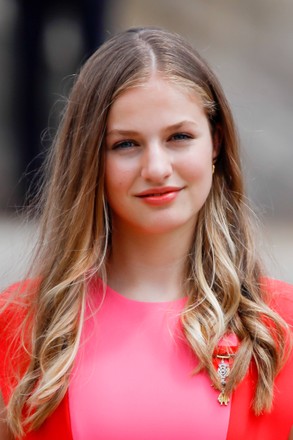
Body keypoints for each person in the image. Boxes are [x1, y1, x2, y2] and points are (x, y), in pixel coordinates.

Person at [0, 27, 293, 440]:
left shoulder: (280, 327)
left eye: (179, 137)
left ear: (215, 143)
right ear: (89, 159)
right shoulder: (16, 328)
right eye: (125, 144)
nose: (156, 167)